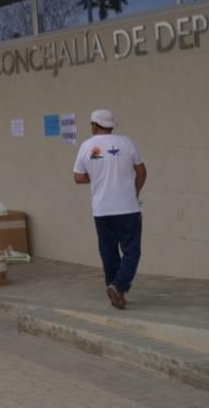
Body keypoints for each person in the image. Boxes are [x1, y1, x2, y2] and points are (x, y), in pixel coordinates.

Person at [73, 109, 147, 310]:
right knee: (131, 251)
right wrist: (135, 192)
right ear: (111, 126)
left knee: (108, 252)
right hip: (127, 208)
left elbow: (78, 177)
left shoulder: (87, 146)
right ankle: (118, 286)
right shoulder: (126, 142)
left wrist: (96, 178)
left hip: (102, 209)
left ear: (94, 126)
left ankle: (116, 290)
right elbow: (141, 172)